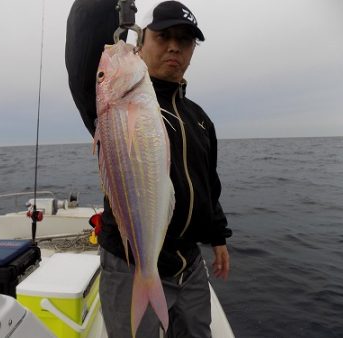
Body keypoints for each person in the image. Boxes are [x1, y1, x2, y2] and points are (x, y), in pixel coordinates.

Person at [66, 1, 232, 337]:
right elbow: (85, 49)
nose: (174, 46)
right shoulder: (113, 103)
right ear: (140, 43)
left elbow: (207, 184)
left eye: (184, 40)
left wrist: (217, 237)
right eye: (163, 36)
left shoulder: (199, 118)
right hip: (129, 262)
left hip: (189, 264)